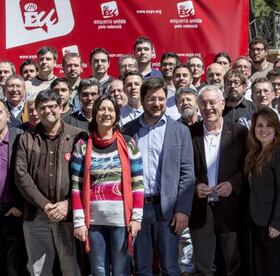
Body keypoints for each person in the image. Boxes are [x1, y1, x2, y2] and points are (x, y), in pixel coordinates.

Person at [123, 77, 195, 275]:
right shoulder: (128, 131)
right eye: (152, 99)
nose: (157, 104)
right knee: (142, 267)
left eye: (161, 99)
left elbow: (187, 175)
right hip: (138, 210)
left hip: (169, 211)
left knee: (170, 267)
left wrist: (183, 209)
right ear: (143, 99)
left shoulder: (180, 131)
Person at [71, 95, 144, 275]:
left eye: (111, 110)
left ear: (116, 114)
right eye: (102, 109)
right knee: (98, 271)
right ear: (95, 114)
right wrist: (79, 222)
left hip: (122, 221)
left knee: (121, 271)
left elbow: (137, 183)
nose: (106, 113)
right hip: (93, 223)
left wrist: (136, 218)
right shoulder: (82, 146)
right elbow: (76, 186)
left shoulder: (129, 143)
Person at [15, 89, 83, 276]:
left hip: (68, 216)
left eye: (52, 106)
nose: (47, 111)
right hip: (36, 215)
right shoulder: (26, 138)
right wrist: (45, 205)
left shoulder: (79, 136)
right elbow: (21, 175)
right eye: (42, 107)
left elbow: (89, 177)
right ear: (35, 110)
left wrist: (68, 204)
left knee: (71, 268)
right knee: (39, 270)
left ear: (61, 107)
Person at [189, 85, 247, 275]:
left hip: (231, 208)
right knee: (203, 266)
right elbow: (184, 169)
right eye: (203, 103)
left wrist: (233, 184)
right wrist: (195, 186)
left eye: (212, 102)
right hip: (201, 209)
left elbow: (247, 169)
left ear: (222, 104)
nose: (208, 107)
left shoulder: (240, 133)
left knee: (234, 264)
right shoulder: (189, 133)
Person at [245, 107, 280, 276]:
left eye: (269, 126)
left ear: (276, 129)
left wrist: (277, 222)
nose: (263, 130)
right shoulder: (254, 153)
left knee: (274, 270)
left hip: (273, 225)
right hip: (255, 222)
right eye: (259, 126)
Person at [0, 99, 29, 276]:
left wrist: (19, 205)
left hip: (12, 211)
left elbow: (28, 174)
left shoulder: (19, 138)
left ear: (8, 116)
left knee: (14, 266)